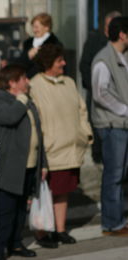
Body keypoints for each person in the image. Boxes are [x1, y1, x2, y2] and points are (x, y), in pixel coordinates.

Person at [30, 44, 92, 247]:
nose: (64, 63)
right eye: (59, 61)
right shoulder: (35, 85)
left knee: (63, 192)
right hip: (51, 151)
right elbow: (35, 119)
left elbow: (82, 110)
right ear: (48, 63)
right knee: (44, 195)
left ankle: (60, 229)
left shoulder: (69, 82)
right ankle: (42, 232)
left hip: (71, 148)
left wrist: (85, 133)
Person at [0, 64, 47, 259]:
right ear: (12, 82)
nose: (27, 82)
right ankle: (0, 247)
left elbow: (37, 131)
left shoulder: (25, 100)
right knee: (5, 211)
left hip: (29, 165)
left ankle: (16, 243)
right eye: (23, 78)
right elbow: (9, 117)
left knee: (21, 209)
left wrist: (43, 163)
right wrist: (21, 100)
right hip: (9, 168)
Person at [91, 16, 128, 236]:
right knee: (113, 175)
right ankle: (111, 223)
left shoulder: (122, 55)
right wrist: (124, 110)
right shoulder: (103, 59)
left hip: (122, 124)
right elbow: (100, 93)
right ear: (122, 34)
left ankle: (118, 219)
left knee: (121, 174)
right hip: (112, 125)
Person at [79, 11, 121, 164]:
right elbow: (84, 66)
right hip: (99, 94)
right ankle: (99, 156)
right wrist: (93, 86)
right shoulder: (95, 41)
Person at [19, 13, 62, 78]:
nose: (34, 30)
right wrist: (28, 55)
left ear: (46, 27)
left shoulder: (55, 44)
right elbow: (20, 64)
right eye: (33, 27)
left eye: (36, 27)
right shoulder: (28, 43)